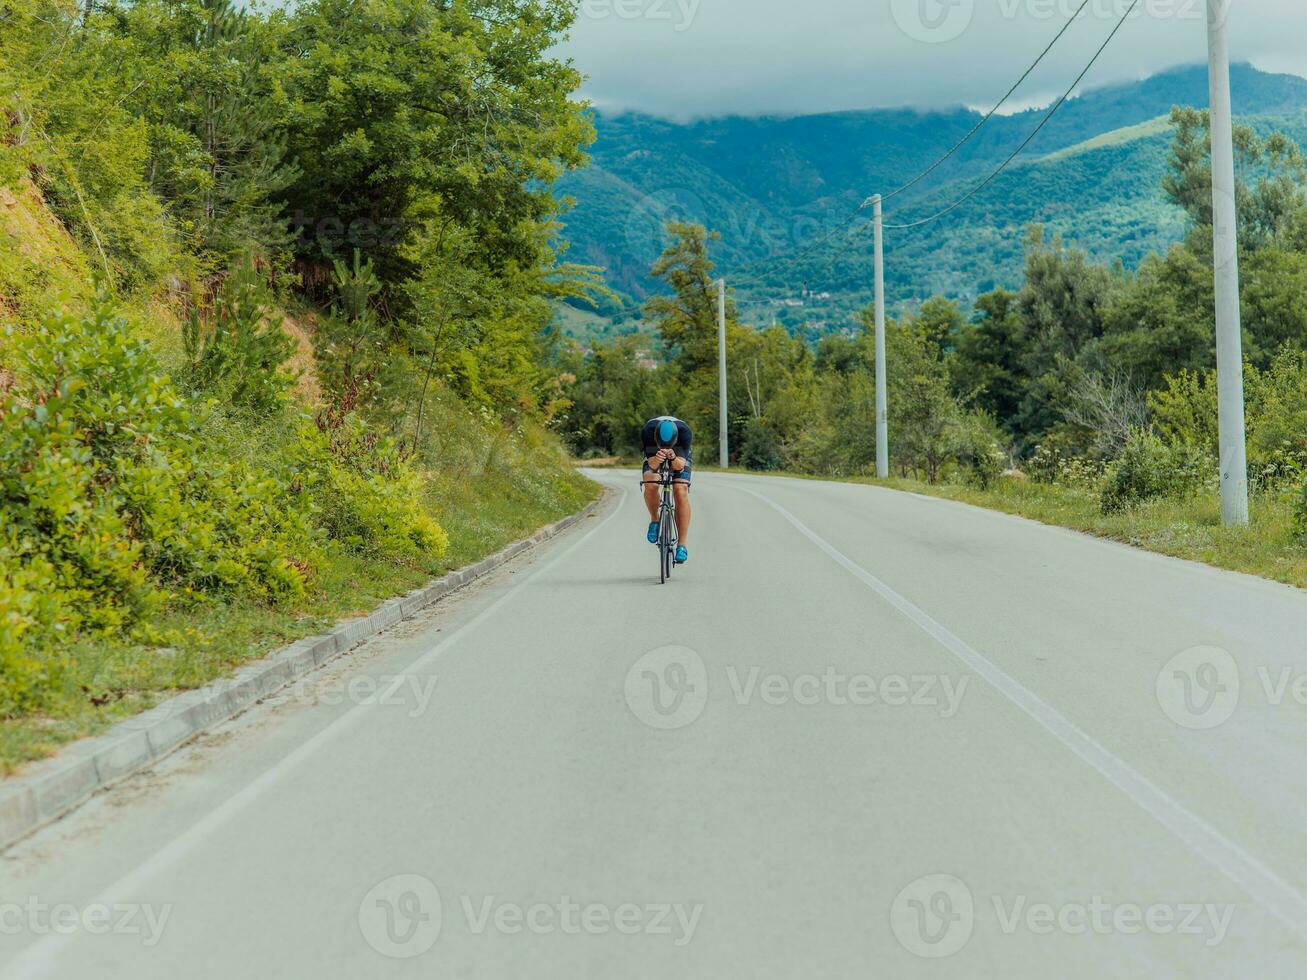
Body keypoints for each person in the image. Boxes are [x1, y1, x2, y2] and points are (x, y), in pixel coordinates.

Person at [640, 416, 692, 564]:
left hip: (679, 452)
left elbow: (679, 466)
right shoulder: (648, 432)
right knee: (651, 483)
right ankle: (655, 520)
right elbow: (652, 465)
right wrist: (657, 458)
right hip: (653, 451)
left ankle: (681, 545)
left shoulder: (684, 433)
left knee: (680, 490)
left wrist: (673, 457)